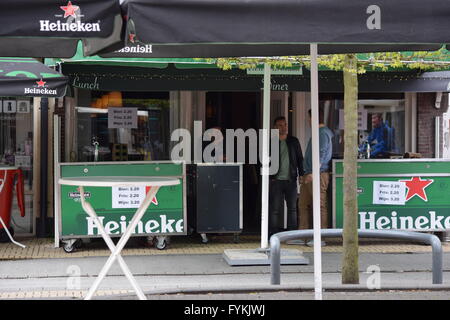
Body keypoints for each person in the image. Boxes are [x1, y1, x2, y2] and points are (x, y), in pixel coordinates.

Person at [299, 108, 333, 247]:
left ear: (313, 118)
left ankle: (321, 237)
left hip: (317, 174)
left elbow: (322, 153)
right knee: (303, 204)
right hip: (311, 173)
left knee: (319, 205)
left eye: (308, 118)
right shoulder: (318, 133)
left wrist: (313, 172)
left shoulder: (323, 133)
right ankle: (303, 236)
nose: (308, 121)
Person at [269, 116, 304, 237]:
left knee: (292, 208)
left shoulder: (293, 141)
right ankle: (272, 233)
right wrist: (270, 176)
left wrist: (301, 174)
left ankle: (292, 234)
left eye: (285, 125)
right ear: (274, 127)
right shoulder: (271, 142)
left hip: (291, 179)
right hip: (276, 180)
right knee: (274, 209)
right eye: (280, 125)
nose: (283, 128)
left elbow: (300, 159)